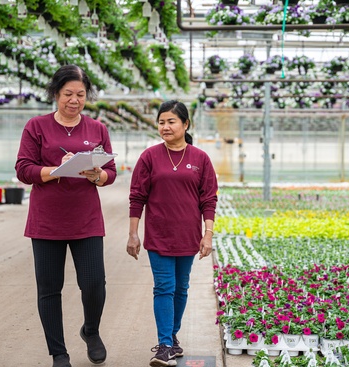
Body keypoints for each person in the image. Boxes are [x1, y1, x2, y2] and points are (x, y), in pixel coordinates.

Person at [15, 65, 117, 367]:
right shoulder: (37, 126)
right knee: (49, 289)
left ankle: (91, 330)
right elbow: (23, 169)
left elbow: (110, 172)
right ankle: (58, 353)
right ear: (56, 93)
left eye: (81, 95)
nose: (74, 100)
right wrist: (55, 170)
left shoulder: (97, 128)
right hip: (46, 222)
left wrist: (97, 174)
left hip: (86, 220)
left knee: (94, 283)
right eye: (68, 94)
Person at [126, 100, 218, 367]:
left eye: (171, 121)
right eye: (161, 122)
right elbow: (137, 197)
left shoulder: (200, 158)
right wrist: (133, 233)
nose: (165, 127)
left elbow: (208, 200)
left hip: (187, 236)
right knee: (164, 287)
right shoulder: (149, 157)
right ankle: (165, 344)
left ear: (185, 124)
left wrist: (208, 234)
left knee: (181, 288)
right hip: (158, 235)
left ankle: (172, 337)